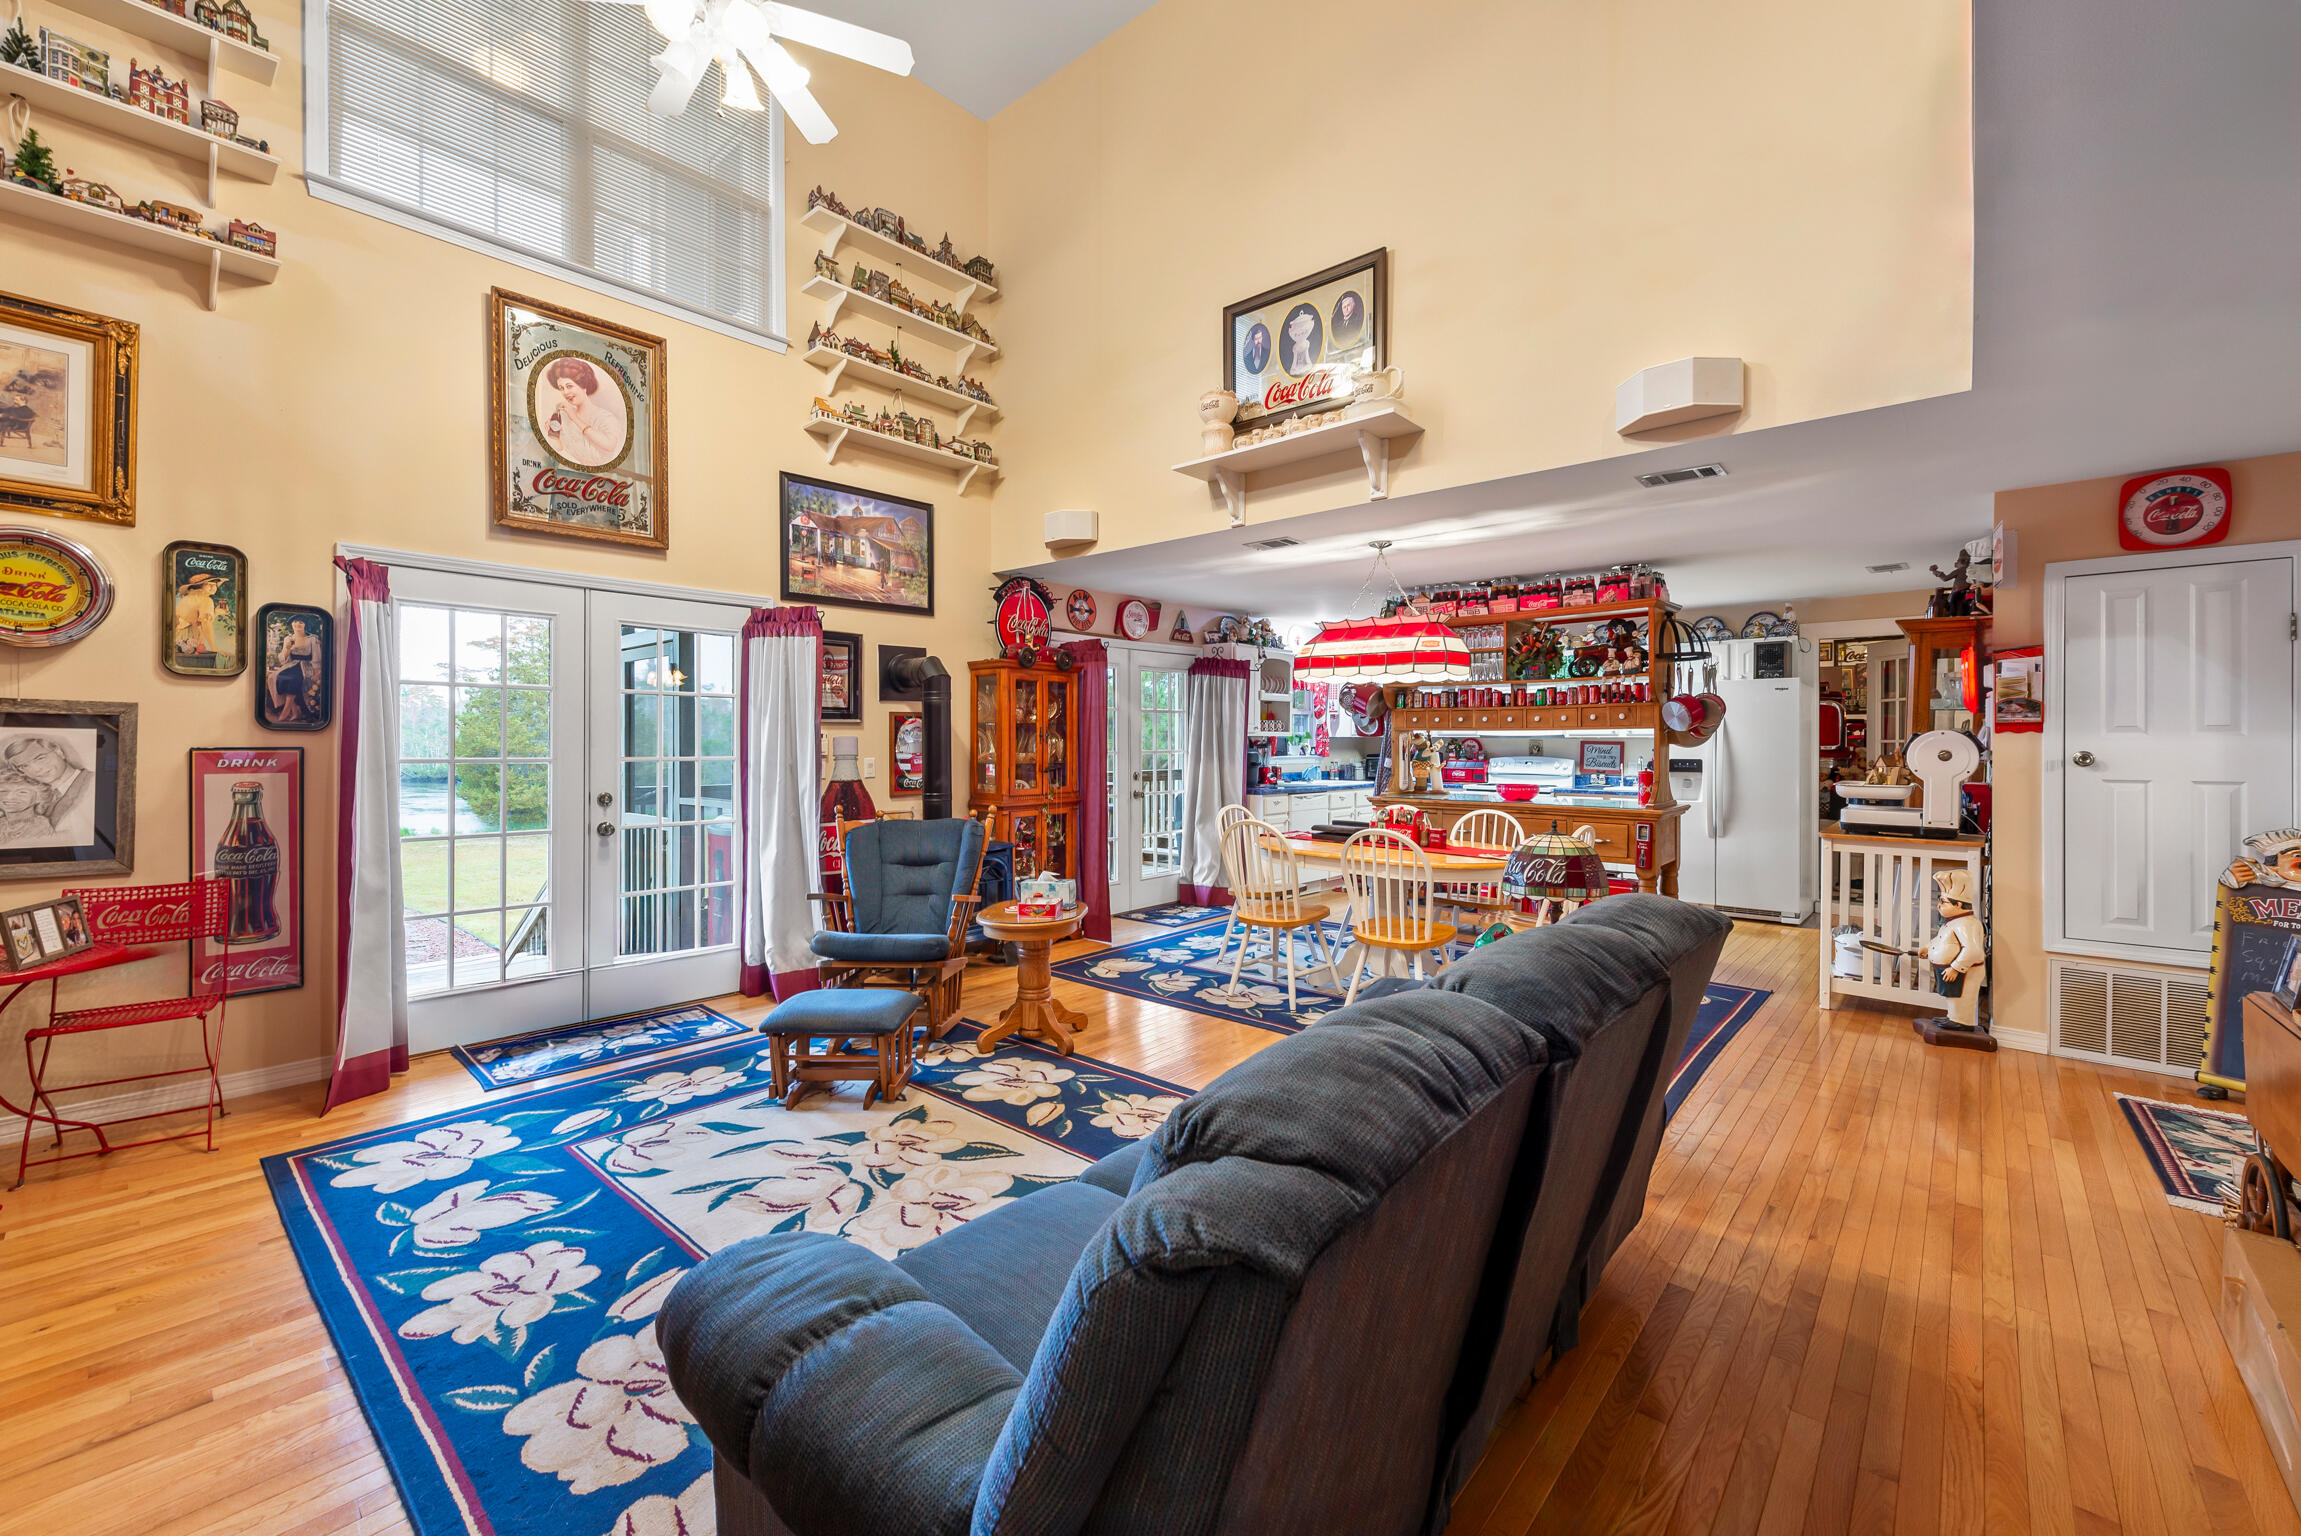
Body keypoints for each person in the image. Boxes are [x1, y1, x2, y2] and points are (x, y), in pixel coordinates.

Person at [538, 356, 627, 468]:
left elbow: (610, 445)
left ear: (583, 386)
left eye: (569, 386)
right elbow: (562, 452)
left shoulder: (605, 417)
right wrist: (556, 437)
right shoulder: (563, 417)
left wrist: (575, 418)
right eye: (561, 388)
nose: (565, 392)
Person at [4, 735, 90, 827]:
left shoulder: (92, 784)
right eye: (24, 766)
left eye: (40, 758)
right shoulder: (40, 799)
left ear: (59, 752)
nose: (36, 769)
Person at [266, 615, 323, 725]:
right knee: (276, 677)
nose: (297, 625)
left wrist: (317, 672)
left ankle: (285, 711)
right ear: (292, 624)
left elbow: (317, 658)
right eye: (295, 622)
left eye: (301, 622)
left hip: (306, 666)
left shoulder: (312, 639)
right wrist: (287, 648)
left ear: (305, 625)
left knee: (293, 679)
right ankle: (295, 712)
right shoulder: (289, 638)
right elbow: (283, 660)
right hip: (292, 665)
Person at [174, 571, 223, 658]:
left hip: (177, 639)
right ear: (199, 586)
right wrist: (214, 648)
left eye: (215, 584)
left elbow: (195, 620)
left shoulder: (185, 598)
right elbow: (206, 624)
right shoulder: (206, 600)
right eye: (209, 584)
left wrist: (216, 613)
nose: (213, 587)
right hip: (191, 640)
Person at [0, 773, 53, 845]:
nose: (9, 797)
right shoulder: (2, 823)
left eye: (22, 792)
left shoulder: (39, 826)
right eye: (3, 791)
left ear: (39, 797)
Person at [1283, 305, 1320, 373]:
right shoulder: (1295, 347)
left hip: (1306, 367)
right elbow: (1294, 363)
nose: (1300, 333)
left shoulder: (1306, 343)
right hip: (1298, 368)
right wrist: (1295, 369)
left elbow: (1308, 361)